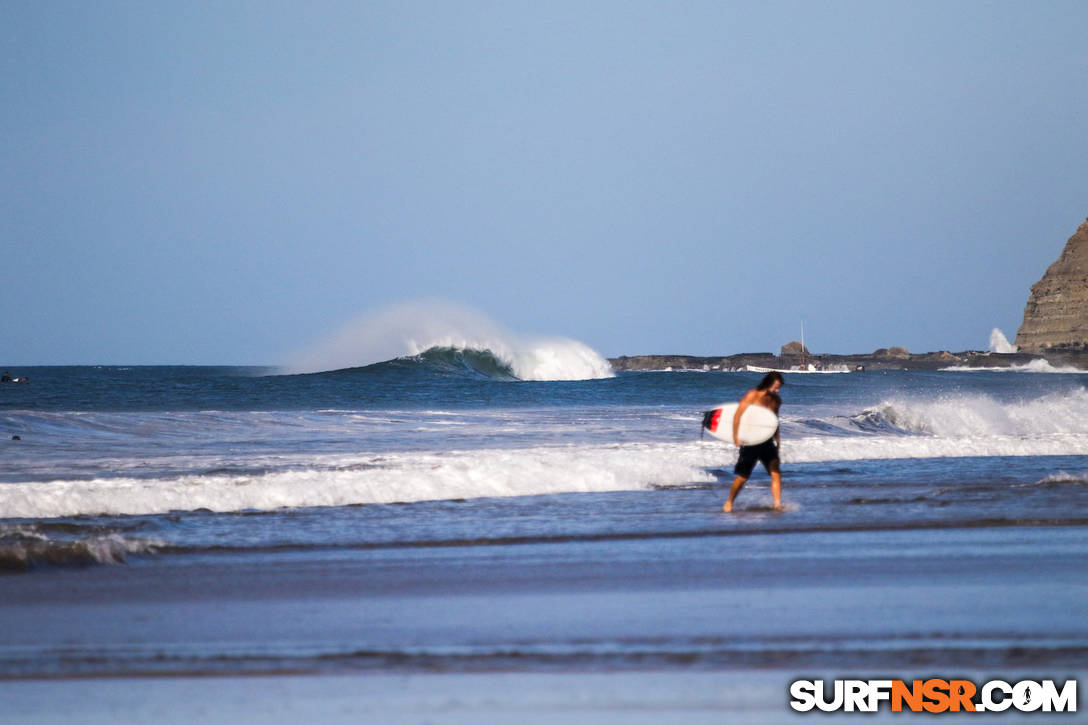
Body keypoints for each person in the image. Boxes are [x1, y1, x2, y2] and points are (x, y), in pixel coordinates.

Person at [723, 371, 783, 513]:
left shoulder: (776, 400)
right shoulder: (753, 396)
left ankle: (777, 504)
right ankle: (729, 502)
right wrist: (736, 436)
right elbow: (738, 415)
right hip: (751, 440)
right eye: (775, 387)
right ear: (767, 384)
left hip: (767, 440)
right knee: (743, 477)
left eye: (779, 387)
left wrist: (778, 439)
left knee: (776, 472)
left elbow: (774, 421)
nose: (777, 390)